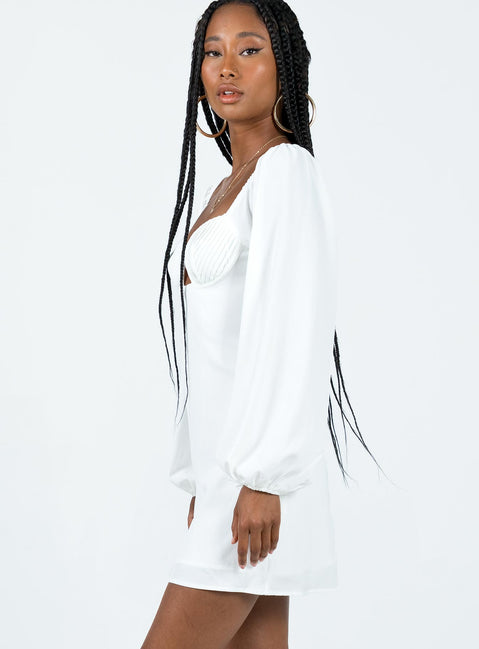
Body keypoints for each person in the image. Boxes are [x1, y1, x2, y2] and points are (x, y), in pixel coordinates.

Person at [146, 1, 384, 647]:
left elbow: (292, 329)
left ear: (287, 67)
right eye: (212, 51)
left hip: (257, 487)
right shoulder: (232, 184)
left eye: (249, 49)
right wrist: (204, 476)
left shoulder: (285, 172)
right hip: (232, 483)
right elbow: (220, 352)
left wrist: (260, 479)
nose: (226, 67)